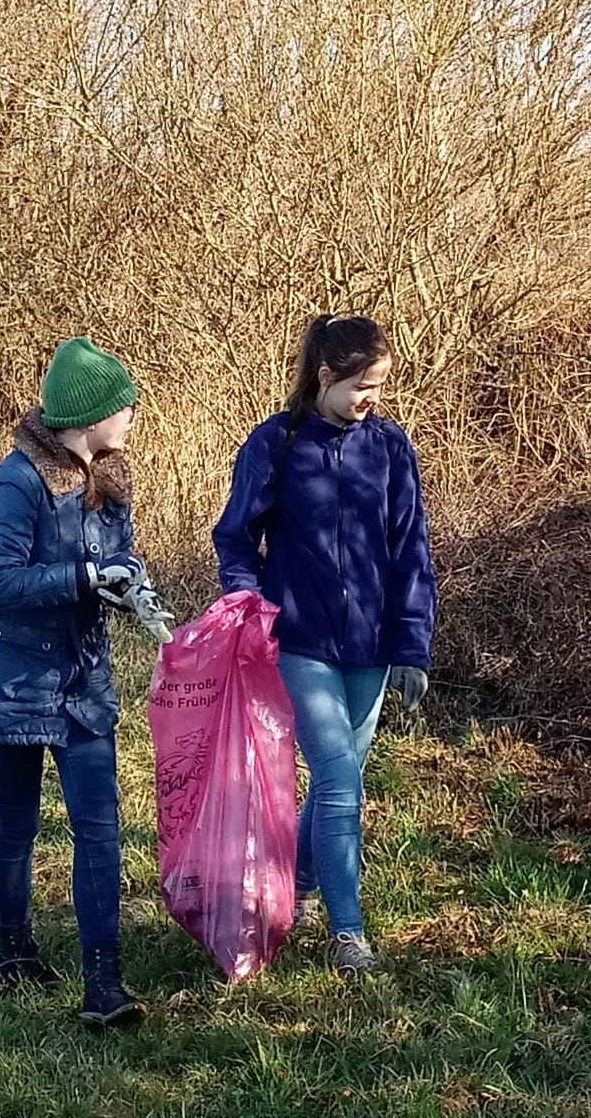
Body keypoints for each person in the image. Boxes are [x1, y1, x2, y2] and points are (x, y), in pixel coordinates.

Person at [0, 336, 172, 1025]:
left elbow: (116, 556)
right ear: (89, 417)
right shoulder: (18, 482)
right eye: (124, 405)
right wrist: (85, 577)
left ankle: (104, 985)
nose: (132, 415)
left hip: (83, 683)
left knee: (100, 828)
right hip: (10, 682)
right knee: (16, 821)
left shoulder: (112, 476)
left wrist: (131, 589)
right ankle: (15, 952)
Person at [212, 314, 436, 976]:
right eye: (363, 386)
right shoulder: (275, 444)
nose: (373, 398)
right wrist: (249, 603)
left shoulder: (390, 447)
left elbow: (411, 550)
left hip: (371, 646)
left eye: (381, 385)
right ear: (326, 376)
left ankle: (301, 888)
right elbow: (235, 538)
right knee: (338, 776)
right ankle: (349, 933)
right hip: (298, 640)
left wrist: (412, 644)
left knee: (342, 780)